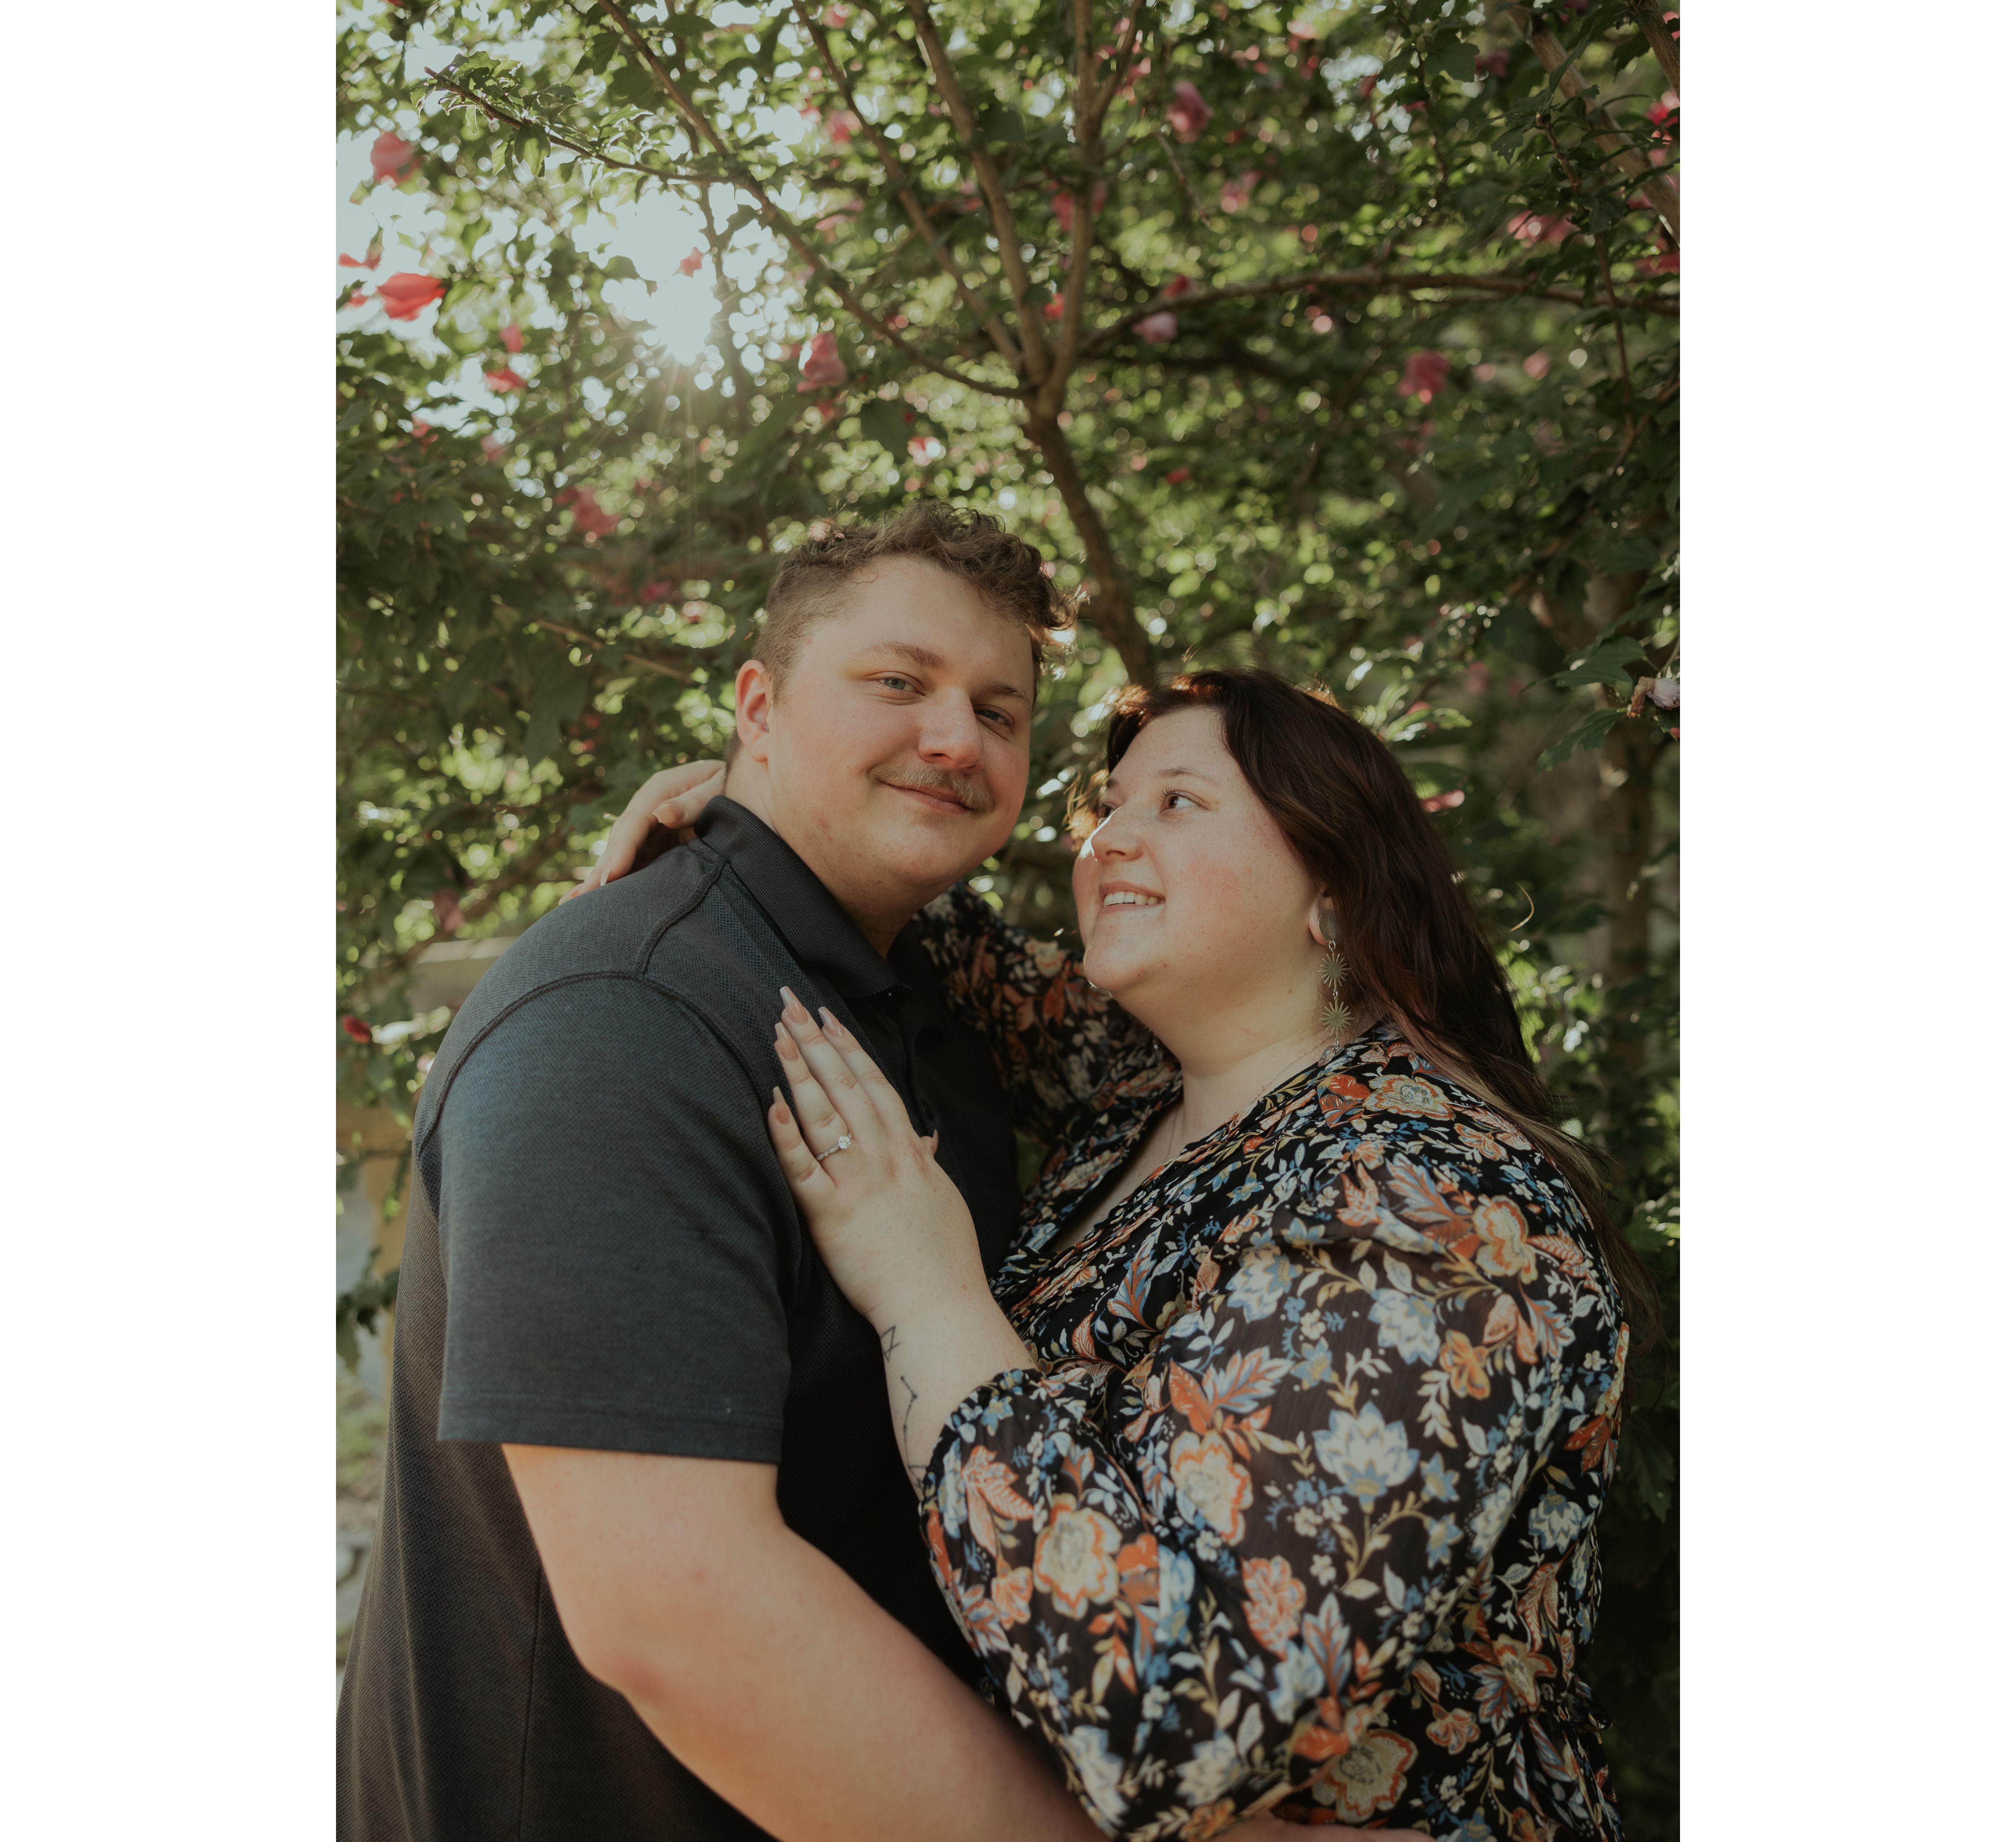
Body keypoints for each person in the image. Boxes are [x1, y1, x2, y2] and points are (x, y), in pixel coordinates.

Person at [599, 669, 1651, 1837]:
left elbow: (1181, 1720)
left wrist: (926, 1292)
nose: (1107, 842)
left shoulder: (1433, 1207)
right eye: (1108, 809)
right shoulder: (1148, 1088)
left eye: (1180, 803)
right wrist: (759, 810)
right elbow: (933, 935)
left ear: (1336, 892)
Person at [340, 503, 1148, 1842]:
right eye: (899, 682)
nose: (957, 738)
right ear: (757, 709)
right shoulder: (620, 1019)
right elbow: (676, 1614)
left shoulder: (929, 997)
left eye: (998, 711)